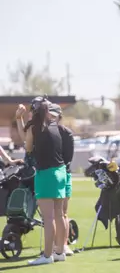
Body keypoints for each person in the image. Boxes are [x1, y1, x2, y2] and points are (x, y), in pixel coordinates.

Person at [16, 102, 75, 256]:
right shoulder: (55, 127)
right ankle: (60, 252)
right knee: (59, 215)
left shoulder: (36, 128)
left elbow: (28, 147)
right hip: (60, 171)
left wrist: (20, 120)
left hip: (46, 173)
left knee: (48, 218)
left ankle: (48, 255)